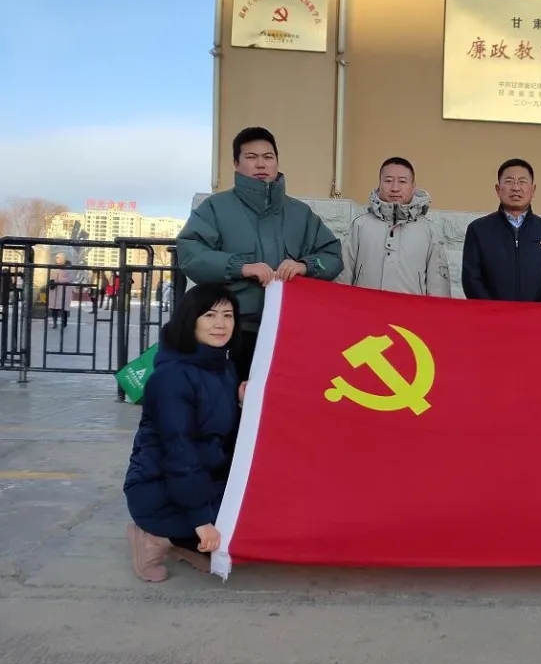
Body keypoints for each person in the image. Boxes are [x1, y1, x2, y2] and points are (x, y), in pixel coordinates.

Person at [176, 126, 344, 381]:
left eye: (268, 157)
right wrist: (240, 267)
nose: (261, 164)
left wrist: (305, 266)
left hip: (288, 330)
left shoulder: (300, 214)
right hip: (234, 331)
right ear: (236, 163)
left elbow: (333, 256)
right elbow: (191, 254)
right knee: (230, 398)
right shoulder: (216, 208)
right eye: (251, 157)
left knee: (282, 398)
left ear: (277, 162)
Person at [123, 283, 246, 582]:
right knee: (238, 518)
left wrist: (242, 404)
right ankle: (152, 536)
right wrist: (201, 519)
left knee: (258, 506)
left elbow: (221, 436)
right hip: (158, 487)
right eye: (210, 315)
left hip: (202, 480)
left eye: (228, 315)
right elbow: (179, 451)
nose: (220, 324)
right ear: (190, 320)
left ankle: (186, 541)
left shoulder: (223, 367)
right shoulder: (171, 377)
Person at [338, 156, 451, 297]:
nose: (395, 188)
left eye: (402, 181)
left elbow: (438, 285)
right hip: (364, 306)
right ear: (379, 184)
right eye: (388, 181)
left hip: (410, 309)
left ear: (413, 187)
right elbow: (343, 274)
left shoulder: (428, 231)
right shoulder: (360, 225)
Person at [461, 158, 541, 302]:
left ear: (533, 190)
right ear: (498, 189)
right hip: (491, 314)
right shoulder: (478, 230)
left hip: (538, 315)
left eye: (522, 181)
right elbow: (471, 279)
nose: (516, 188)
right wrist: (493, 311)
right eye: (509, 181)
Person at [47, 253, 73, 329]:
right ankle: (55, 323)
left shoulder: (68, 267)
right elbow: (51, 276)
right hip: (55, 290)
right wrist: (52, 281)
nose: (57, 259)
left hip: (64, 290)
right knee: (54, 308)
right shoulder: (54, 267)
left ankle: (64, 323)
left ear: (63, 258)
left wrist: (58, 280)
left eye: (58, 257)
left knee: (63, 307)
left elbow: (70, 278)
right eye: (56, 257)